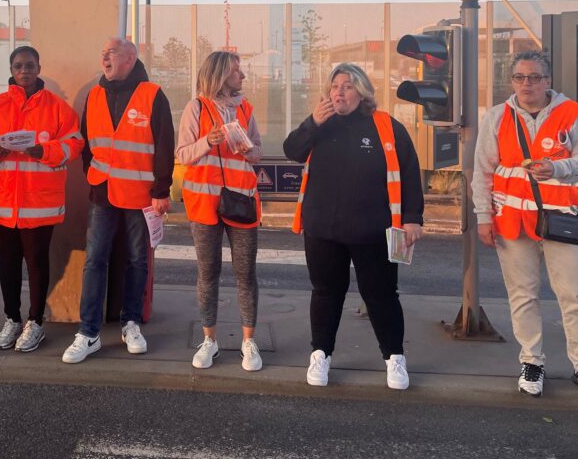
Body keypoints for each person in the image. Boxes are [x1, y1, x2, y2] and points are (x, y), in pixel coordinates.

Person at [473, 50, 578, 401]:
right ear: (512, 81)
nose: (527, 84)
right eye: (519, 77)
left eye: (534, 77)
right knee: (522, 297)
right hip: (512, 224)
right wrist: (483, 217)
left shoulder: (574, 113)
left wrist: (557, 168)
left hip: (562, 223)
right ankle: (531, 361)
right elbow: (483, 171)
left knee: (575, 297)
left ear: (547, 80)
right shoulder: (497, 117)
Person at [284, 62, 423, 390]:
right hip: (323, 228)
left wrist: (413, 218)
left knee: (382, 295)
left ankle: (394, 357)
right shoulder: (320, 124)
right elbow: (292, 151)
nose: (339, 92)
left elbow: (409, 172)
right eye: (334, 86)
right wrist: (313, 122)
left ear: (362, 92)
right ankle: (321, 354)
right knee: (325, 293)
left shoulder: (386, 126)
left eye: (347, 86)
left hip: (373, 230)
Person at [62, 38, 174, 363]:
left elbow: (165, 145)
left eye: (110, 53)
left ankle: (131, 323)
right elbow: (87, 142)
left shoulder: (153, 95)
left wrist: (161, 190)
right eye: (102, 54)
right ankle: (88, 332)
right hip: (102, 192)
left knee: (137, 260)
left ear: (130, 57)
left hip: (141, 196)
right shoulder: (95, 94)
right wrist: (92, 173)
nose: (104, 59)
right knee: (95, 260)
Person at [0, 45, 84, 353]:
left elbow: (75, 143)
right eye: (19, 65)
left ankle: (35, 322)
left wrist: (44, 151)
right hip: (3, 202)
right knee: (8, 263)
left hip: (40, 203)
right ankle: (12, 318)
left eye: (30, 65)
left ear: (38, 68)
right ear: (11, 70)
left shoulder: (57, 107)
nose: (25, 70)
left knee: (36, 262)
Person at [176, 51, 264, 371]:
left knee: (246, 274)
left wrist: (248, 150)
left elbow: (257, 153)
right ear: (220, 75)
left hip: (241, 202)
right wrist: (207, 141)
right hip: (205, 205)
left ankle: (249, 341)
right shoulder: (196, 108)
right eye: (237, 71)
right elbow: (183, 154)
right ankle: (209, 340)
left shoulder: (246, 108)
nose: (242, 76)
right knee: (208, 273)